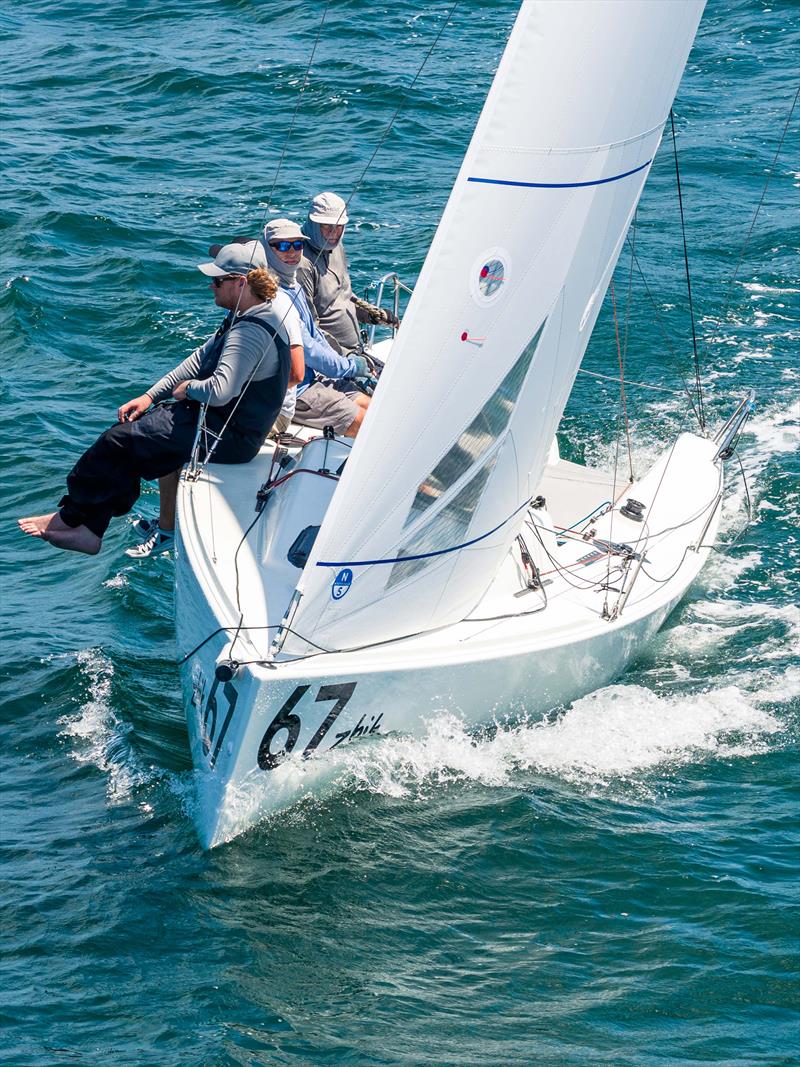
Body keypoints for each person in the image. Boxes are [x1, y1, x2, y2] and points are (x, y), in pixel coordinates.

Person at [18, 242, 304, 557]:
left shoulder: (249, 331)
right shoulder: (254, 311)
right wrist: (150, 396)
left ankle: (71, 521)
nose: (211, 285)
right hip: (223, 425)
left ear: (241, 283)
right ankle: (89, 527)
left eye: (218, 280)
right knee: (131, 434)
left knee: (116, 441)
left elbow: (221, 390)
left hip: (228, 436)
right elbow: (199, 359)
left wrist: (188, 389)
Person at [263, 218, 375, 438]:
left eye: (298, 245)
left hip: (316, 378)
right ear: (268, 249)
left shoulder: (292, 284)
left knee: (376, 408)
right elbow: (309, 350)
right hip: (299, 391)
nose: (293, 252)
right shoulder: (275, 296)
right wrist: (351, 367)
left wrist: (343, 366)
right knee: (366, 422)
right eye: (284, 246)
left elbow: (315, 336)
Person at [297, 191, 398, 355]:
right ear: (312, 223)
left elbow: (343, 297)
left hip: (353, 352)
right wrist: (346, 358)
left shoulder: (336, 246)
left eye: (339, 226)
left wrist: (373, 315)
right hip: (332, 361)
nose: (333, 232)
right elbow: (308, 329)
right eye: (326, 226)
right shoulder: (302, 264)